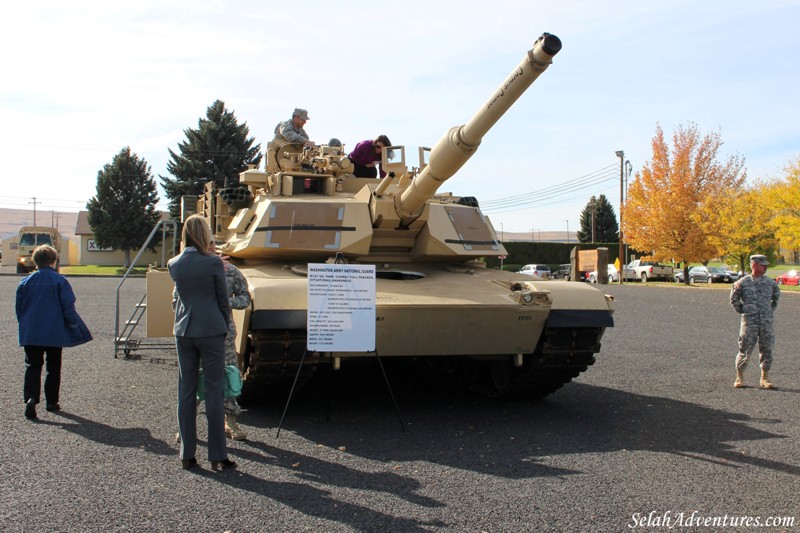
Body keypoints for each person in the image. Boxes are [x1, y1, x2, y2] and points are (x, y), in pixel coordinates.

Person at [168, 215, 235, 470]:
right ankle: (217, 455)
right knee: (215, 391)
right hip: (211, 330)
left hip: (184, 330)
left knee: (186, 390)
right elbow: (222, 299)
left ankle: (187, 453)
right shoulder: (213, 264)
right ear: (204, 234)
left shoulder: (174, 263)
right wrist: (225, 327)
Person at [16, 244, 92, 420]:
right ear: (54, 261)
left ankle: (31, 398)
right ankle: (51, 402)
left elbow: (19, 308)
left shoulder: (25, 282)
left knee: (33, 365)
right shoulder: (60, 281)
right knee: (53, 367)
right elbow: (68, 307)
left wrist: (24, 325)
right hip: (54, 330)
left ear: (36, 261)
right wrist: (74, 325)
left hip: (31, 331)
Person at [216, 245, 252, 441]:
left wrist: (224, 302)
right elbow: (176, 300)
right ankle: (188, 424)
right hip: (198, 333)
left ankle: (230, 421)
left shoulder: (230, 271)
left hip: (224, 334)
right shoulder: (192, 272)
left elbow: (245, 298)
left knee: (229, 376)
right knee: (194, 377)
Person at [730, 254, 780, 389]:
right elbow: (734, 299)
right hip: (749, 321)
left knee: (767, 348)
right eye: (763, 264)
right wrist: (743, 310)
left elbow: (776, 298)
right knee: (744, 348)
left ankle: (764, 378)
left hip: (766, 322)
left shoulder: (770, 283)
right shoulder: (742, 283)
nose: (765, 267)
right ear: (754, 265)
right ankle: (739, 376)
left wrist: (769, 310)